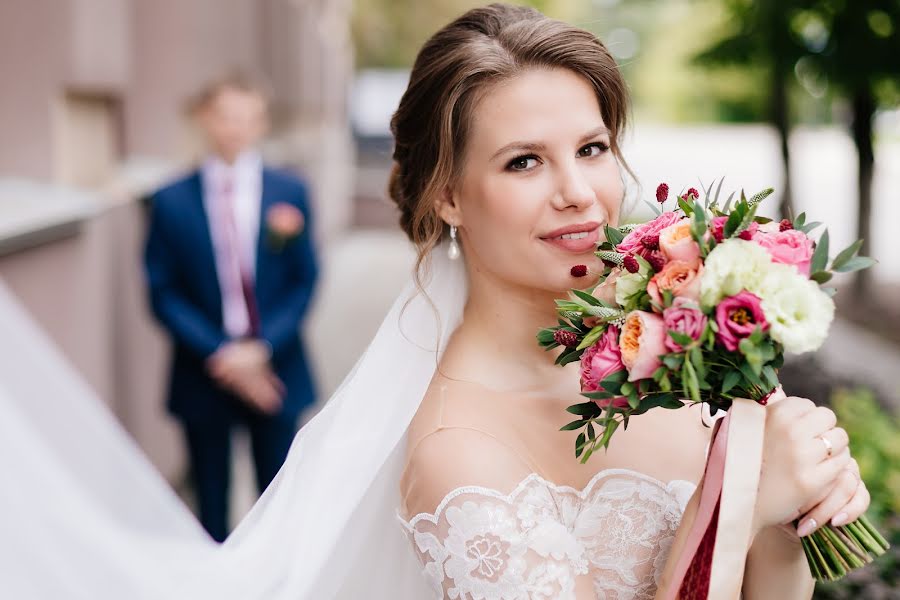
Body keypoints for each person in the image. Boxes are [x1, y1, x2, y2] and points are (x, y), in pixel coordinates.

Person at [0, 5, 871, 600]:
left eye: (593, 147)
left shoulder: (664, 353)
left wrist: (782, 504)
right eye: (523, 161)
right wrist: (735, 495)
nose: (580, 193)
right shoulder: (459, 453)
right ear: (448, 194)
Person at [144, 73, 319, 541]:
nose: (236, 128)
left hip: (275, 368)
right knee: (210, 506)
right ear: (204, 118)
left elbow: (305, 280)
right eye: (225, 116)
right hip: (205, 370)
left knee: (278, 504)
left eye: (247, 118)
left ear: (261, 124)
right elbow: (162, 291)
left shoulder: (290, 191)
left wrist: (259, 350)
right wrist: (224, 355)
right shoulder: (169, 199)